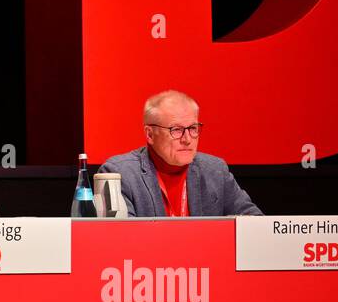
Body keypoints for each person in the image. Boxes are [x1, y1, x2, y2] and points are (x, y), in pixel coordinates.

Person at [98, 89, 261, 217]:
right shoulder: (118, 174)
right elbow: (119, 239)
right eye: (176, 130)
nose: (187, 139)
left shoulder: (215, 170)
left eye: (192, 128)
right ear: (150, 134)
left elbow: (255, 224)